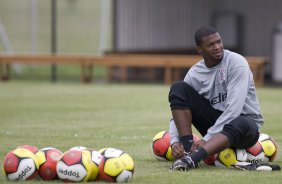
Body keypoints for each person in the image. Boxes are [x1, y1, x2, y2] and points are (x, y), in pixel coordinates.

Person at [168, 26, 280, 171]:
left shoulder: (236, 63)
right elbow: (178, 110)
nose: (217, 47)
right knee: (178, 88)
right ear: (199, 49)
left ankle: (192, 159)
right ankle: (188, 151)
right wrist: (175, 141)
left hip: (245, 130)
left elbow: (233, 111)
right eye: (211, 44)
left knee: (241, 121)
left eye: (219, 42)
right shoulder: (194, 73)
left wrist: (206, 139)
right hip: (216, 128)